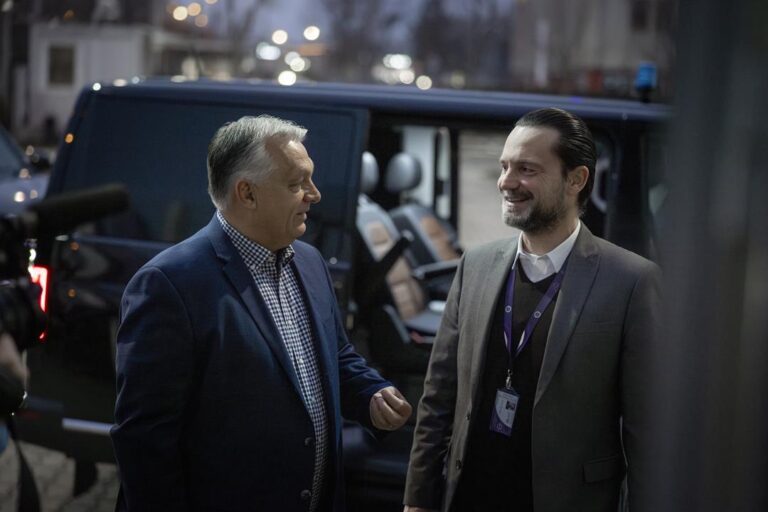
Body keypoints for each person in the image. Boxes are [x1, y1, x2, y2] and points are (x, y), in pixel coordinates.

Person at [111, 115, 412, 512]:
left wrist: (370, 394)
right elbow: (144, 441)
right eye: (297, 183)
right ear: (247, 193)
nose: (315, 194)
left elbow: (335, 355)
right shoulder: (170, 284)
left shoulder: (310, 262)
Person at [403, 108, 661, 512]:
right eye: (505, 167)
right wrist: (418, 499)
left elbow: (646, 433)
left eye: (526, 169)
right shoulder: (476, 264)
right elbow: (439, 397)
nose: (506, 182)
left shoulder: (631, 281)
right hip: (468, 495)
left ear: (576, 179)